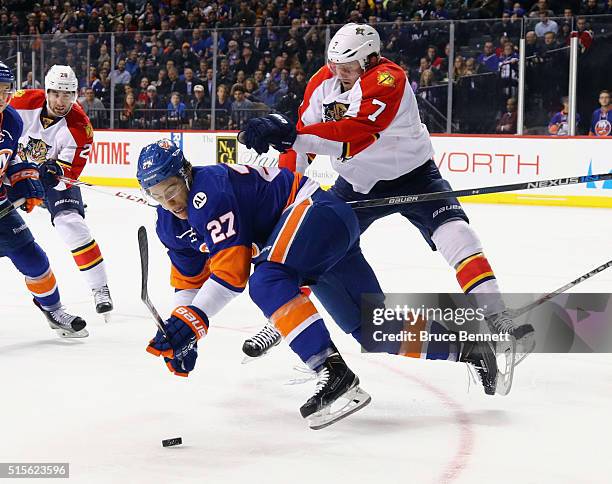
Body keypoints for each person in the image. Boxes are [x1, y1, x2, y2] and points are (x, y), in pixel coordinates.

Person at [136, 140, 506, 429]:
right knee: (369, 326)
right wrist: (181, 330)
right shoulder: (169, 224)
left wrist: (191, 323)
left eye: (171, 188)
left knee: (266, 280)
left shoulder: (209, 192)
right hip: (315, 235)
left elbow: (232, 274)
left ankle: (330, 370)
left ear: (185, 174)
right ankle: (471, 349)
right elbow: (190, 281)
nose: (169, 202)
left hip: (315, 213)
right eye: (156, 195)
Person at [240, 23, 534, 360]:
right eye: (335, 65)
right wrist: (288, 192)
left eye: (348, 68)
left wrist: (291, 136)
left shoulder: (387, 78)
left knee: (459, 236)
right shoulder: (322, 82)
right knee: (312, 246)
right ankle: (281, 320)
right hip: (355, 186)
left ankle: (498, 317)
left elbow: (355, 131)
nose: (340, 73)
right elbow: (303, 145)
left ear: (370, 59)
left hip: (415, 176)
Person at [9, 65, 113, 317]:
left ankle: (100, 288)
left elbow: (67, 177)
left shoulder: (81, 127)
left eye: (67, 94)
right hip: (13, 171)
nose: (60, 101)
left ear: (75, 95)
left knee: (71, 223)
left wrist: (54, 173)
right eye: (55, 93)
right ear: (47, 91)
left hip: (49, 180)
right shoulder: (22, 101)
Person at [0, 61, 87, 338]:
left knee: (33, 258)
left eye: (6, 90)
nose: (3, 97)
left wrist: (24, 177)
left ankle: (53, 310)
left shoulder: (12, 119)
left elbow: (9, 159)